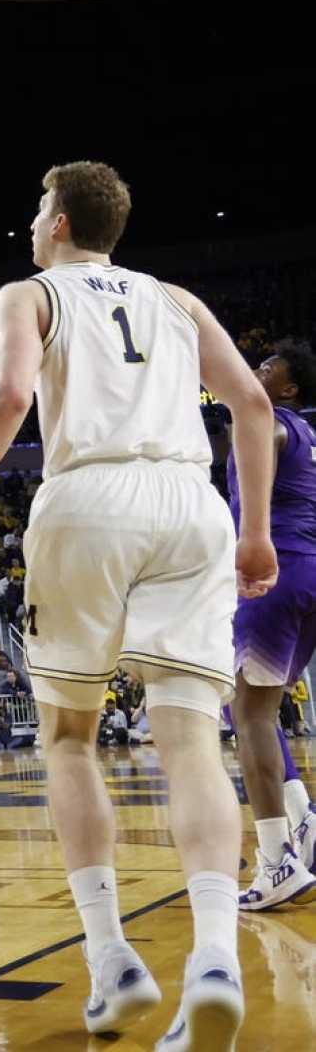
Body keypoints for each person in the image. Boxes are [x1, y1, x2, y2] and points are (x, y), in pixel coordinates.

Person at [0, 162, 276, 1046]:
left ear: (62, 222)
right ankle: (216, 959)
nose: (32, 223)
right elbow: (254, 405)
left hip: (89, 500)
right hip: (194, 504)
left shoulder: (30, 293)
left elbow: (8, 397)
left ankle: (113, 960)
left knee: (70, 737)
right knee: (191, 738)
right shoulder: (179, 302)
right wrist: (255, 531)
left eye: (38, 208)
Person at [224, 344, 316, 910]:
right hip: (308, 569)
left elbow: (264, 437)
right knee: (263, 705)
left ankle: (275, 860)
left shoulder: (271, 423)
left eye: (268, 368)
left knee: (249, 714)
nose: (257, 371)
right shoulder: (306, 433)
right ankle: (304, 824)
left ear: (288, 390)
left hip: (276, 570)